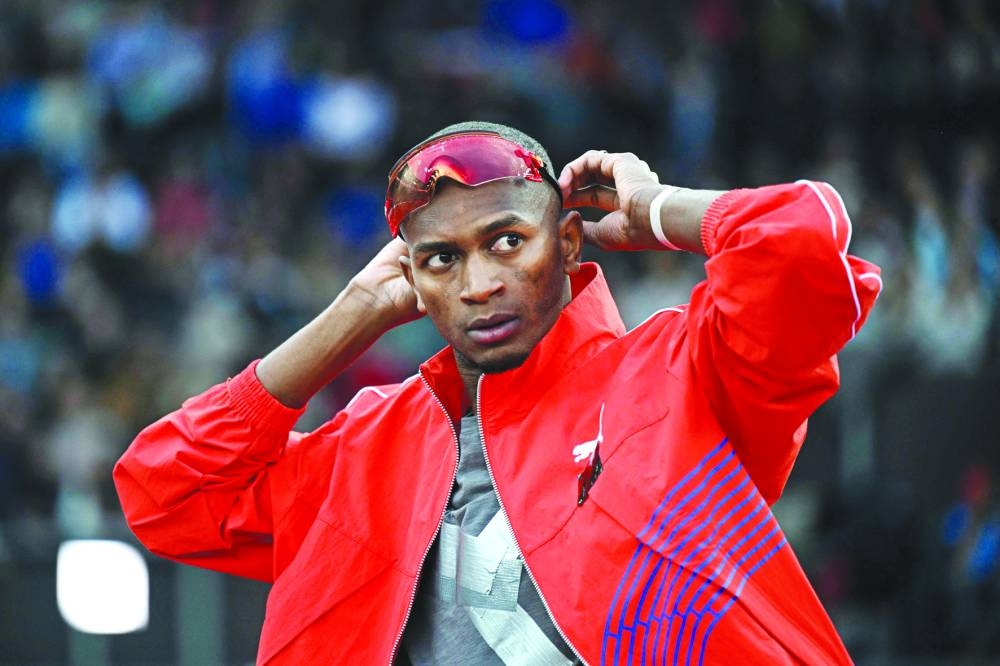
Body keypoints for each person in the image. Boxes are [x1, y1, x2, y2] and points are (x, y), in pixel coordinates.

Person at [114, 121, 882, 665]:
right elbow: (167, 492)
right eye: (442, 260)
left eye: (508, 241)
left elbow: (801, 249)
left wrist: (653, 208)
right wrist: (353, 314)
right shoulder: (366, 448)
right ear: (412, 279)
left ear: (568, 243)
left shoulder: (676, 374)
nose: (479, 284)